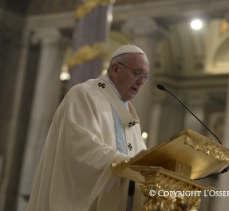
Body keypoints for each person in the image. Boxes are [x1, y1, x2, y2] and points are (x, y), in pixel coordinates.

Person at [27, 45, 150, 211]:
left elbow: (141, 161)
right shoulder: (83, 95)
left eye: (145, 77)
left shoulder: (129, 115)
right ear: (115, 69)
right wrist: (127, 163)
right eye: (137, 73)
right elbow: (81, 151)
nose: (142, 82)